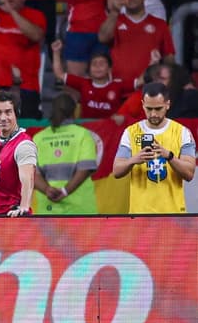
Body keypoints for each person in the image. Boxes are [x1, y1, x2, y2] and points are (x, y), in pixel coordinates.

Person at [113, 82, 196, 213]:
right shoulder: (130, 132)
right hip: (139, 214)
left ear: (167, 104)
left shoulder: (182, 133)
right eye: (148, 109)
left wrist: (169, 156)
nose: (153, 114)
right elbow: (116, 171)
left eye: (158, 109)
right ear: (142, 105)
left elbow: (189, 173)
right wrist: (133, 160)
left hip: (173, 214)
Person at [98, 0, 176, 87]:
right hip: (119, 86)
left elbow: (169, 58)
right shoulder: (114, 20)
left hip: (150, 86)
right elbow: (103, 38)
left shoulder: (160, 24)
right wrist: (115, 11)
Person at [33, 93, 98, 214]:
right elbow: (84, 169)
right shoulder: (83, 135)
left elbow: (31, 173)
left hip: (48, 210)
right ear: (74, 112)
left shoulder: (39, 138)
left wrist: (47, 190)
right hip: (80, 209)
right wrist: (65, 191)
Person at [52, 39, 131, 119]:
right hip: (87, 129)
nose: (97, 67)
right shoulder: (83, 83)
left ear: (109, 69)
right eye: (94, 64)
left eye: (101, 63)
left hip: (110, 129)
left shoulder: (118, 85)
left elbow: (140, 82)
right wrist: (56, 52)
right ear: (89, 69)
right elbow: (59, 74)